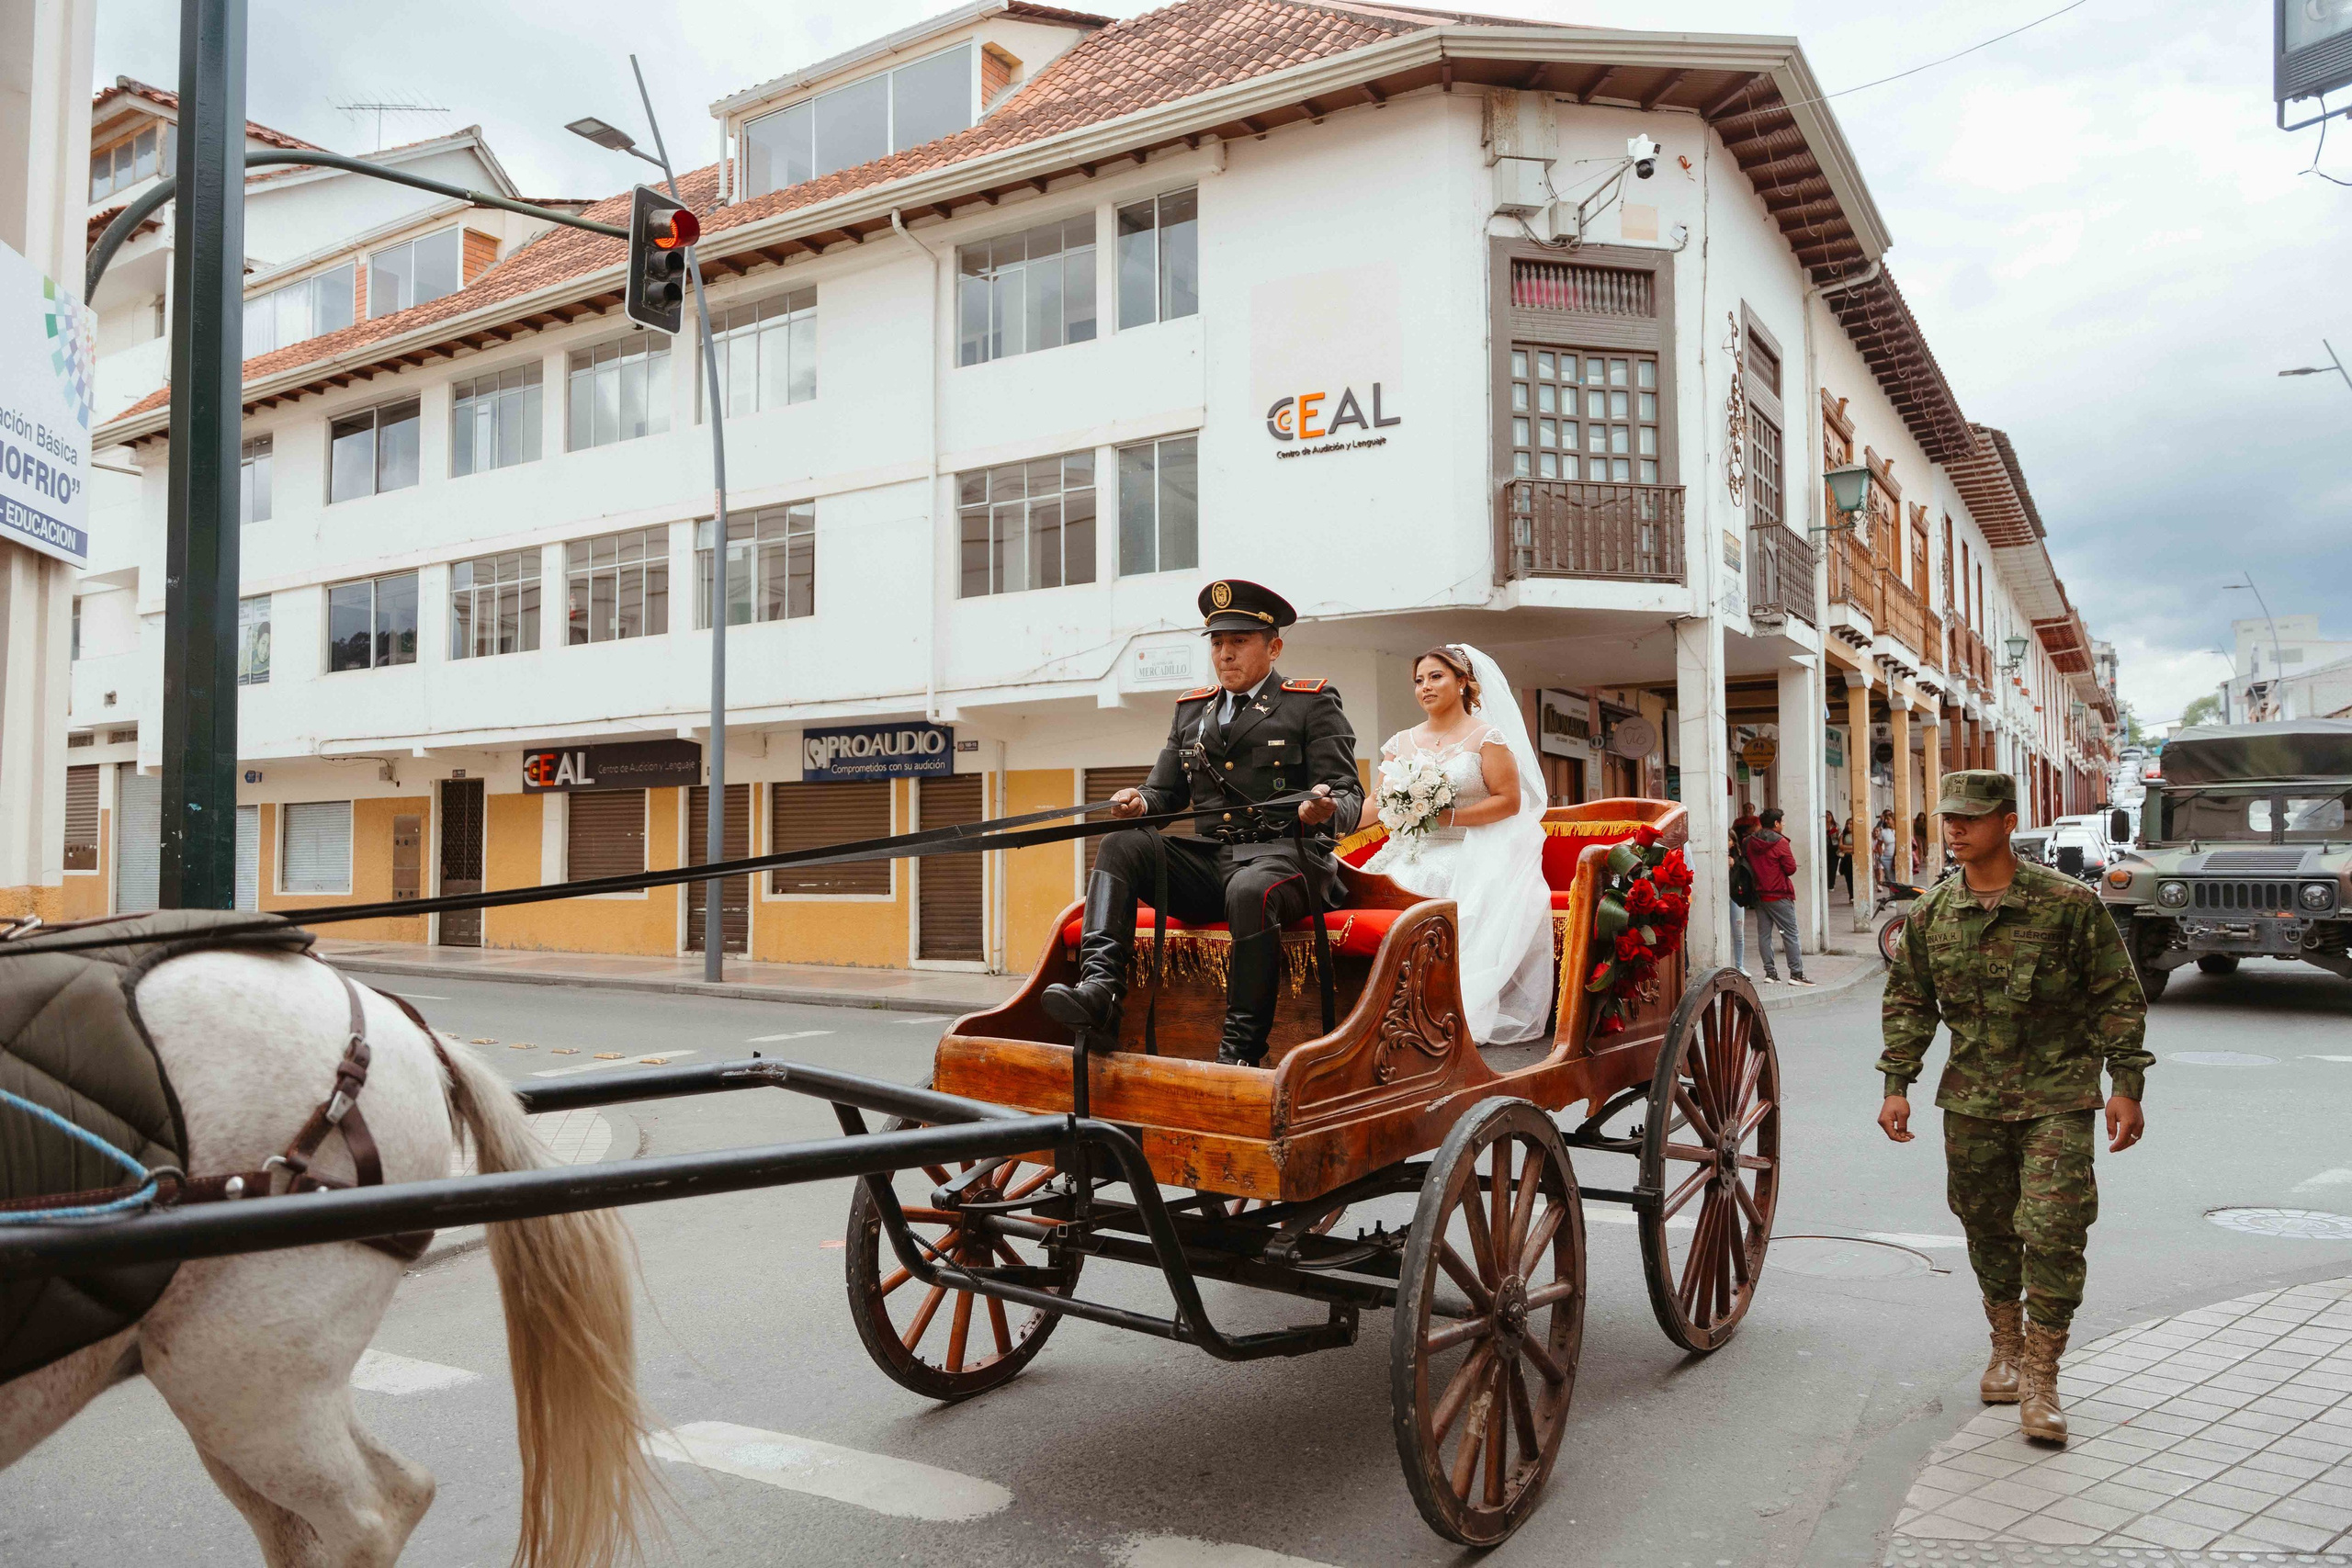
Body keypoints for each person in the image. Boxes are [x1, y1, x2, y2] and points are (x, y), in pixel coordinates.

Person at [1875, 770, 2151, 1447]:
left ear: (2006, 820)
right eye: (1948, 818)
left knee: (2054, 1229)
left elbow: (2117, 995)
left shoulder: (2067, 903)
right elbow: (1910, 1001)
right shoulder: (1935, 912)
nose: (1956, 829)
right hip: (1970, 1101)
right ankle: (2004, 1345)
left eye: (1971, 817)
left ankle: (2042, 1375)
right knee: (1989, 1229)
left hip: (2058, 1094)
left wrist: (2126, 1084)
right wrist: (1896, 1082)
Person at [1044, 580, 1363, 1067]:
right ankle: (1101, 995)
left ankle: (1240, 1052)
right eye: (1217, 643)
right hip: (1213, 861)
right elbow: (1164, 794)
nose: (1225, 654)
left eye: (1238, 642)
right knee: (1121, 845)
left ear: (1273, 647)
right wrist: (1139, 803)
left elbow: (1347, 792)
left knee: (1250, 890)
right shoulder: (1193, 711)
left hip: (1289, 858)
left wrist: (1324, 809)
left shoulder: (1309, 701)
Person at [1361, 645, 1555, 1043]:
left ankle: (1429, 1007)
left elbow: (1509, 800)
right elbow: (1376, 804)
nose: (1425, 687)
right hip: (1409, 847)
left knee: (1433, 880)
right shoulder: (1401, 742)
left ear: (1463, 682)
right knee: (1368, 888)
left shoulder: (1487, 737)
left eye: (1436, 677)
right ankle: (1376, 1006)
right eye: (1419, 680)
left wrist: (1449, 816)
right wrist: (1333, 821)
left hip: (1468, 847)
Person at [1743, 807, 1810, 985]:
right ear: (1776, 823)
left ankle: (1770, 973)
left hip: (1758, 894)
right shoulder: (1780, 842)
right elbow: (1791, 868)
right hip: (1779, 893)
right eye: (1782, 821)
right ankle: (1796, 974)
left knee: (1764, 934)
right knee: (1790, 934)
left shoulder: (1748, 842)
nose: (1784, 824)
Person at [1838, 817, 1857, 902]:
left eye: (1851, 824)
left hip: (1855, 858)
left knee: (1856, 877)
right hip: (1846, 858)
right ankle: (1851, 895)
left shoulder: (1857, 835)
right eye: (1847, 824)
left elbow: (1858, 847)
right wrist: (1851, 848)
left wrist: (1847, 849)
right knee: (1849, 878)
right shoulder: (1843, 835)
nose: (1848, 826)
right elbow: (1841, 847)